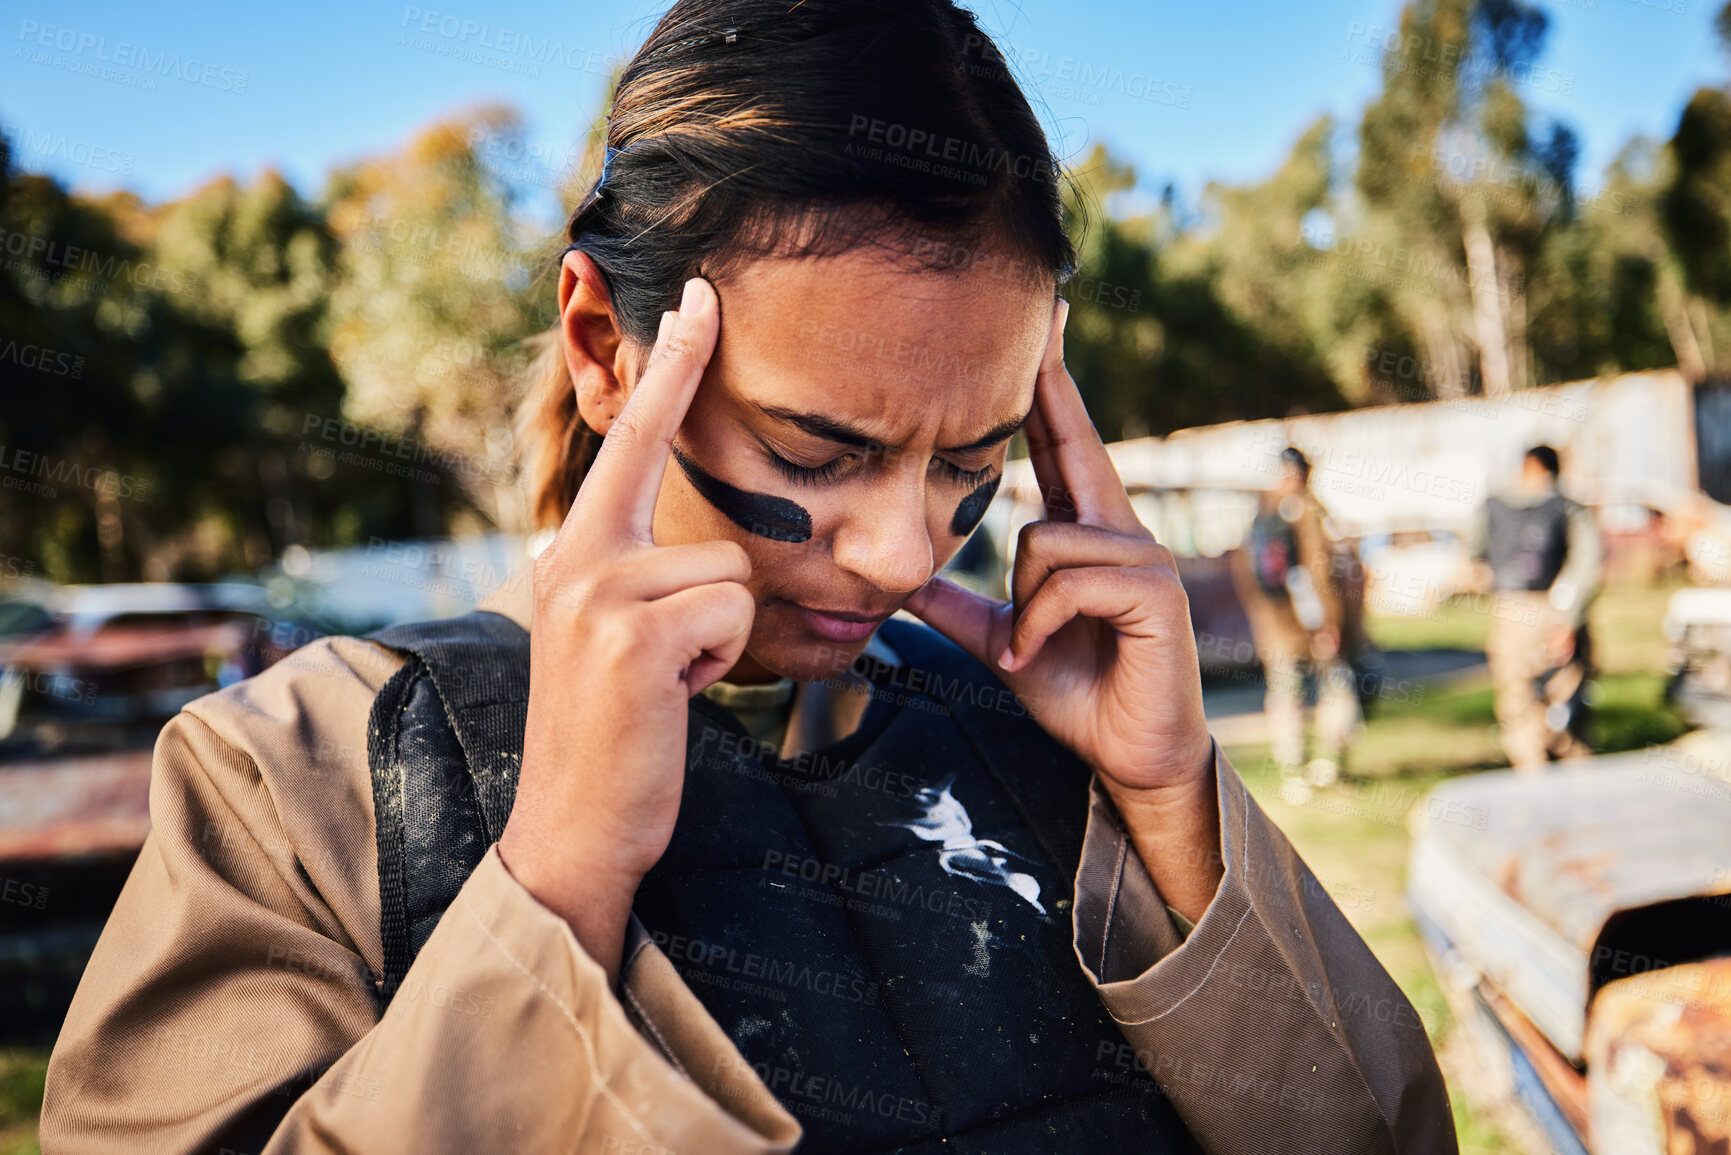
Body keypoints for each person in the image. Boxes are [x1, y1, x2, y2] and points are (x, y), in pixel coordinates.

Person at [41, 3, 1455, 1151]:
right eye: (814, 449)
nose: (904, 552)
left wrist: (1168, 804)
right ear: (605, 346)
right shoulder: (293, 776)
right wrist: (554, 878)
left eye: (971, 457)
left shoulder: (1058, 725)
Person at [1231, 447, 1365, 797]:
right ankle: (1328, 765)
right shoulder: (1304, 511)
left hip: (1274, 628)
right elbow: (1312, 573)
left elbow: (1246, 574)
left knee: (1286, 695)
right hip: (1309, 624)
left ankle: (1293, 772)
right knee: (1338, 688)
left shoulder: (1261, 514)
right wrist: (1325, 623)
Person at [1469, 445, 1603, 773]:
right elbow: (1588, 563)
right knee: (1566, 694)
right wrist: (1568, 616)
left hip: (1509, 611)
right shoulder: (1566, 506)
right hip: (1555, 608)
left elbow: (1474, 557)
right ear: (1554, 470)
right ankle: (1574, 768)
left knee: (1517, 698)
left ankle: (1531, 769)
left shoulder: (1492, 506)